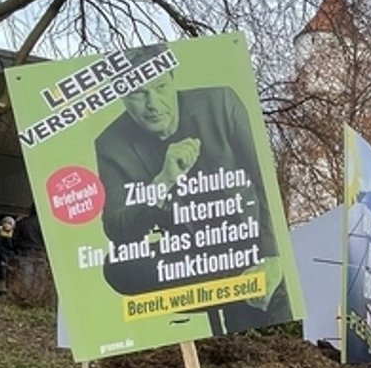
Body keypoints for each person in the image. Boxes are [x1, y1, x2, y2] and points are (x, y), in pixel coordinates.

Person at [94, 55, 292, 332]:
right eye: (138, 94)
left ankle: (248, 294)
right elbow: (117, 228)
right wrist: (163, 181)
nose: (153, 105)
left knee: (267, 316)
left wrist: (272, 256)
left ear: (173, 81)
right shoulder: (111, 143)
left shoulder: (220, 104)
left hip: (243, 241)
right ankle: (236, 288)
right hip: (187, 256)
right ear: (122, 98)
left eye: (160, 88)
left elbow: (264, 180)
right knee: (117, 265)